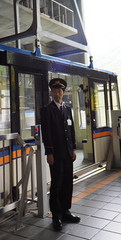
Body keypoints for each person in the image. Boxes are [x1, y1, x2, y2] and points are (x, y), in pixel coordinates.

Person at [40, 77, 81, 231]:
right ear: (51, 93)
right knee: (56, 184)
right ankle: (56, 215)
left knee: (67, 183)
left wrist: (74, 149)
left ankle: (66, 211)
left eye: (60, 91)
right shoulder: (47, 110)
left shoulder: (68, 109)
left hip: (68, 153)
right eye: (54, 91)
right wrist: (49, 152)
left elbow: (71, 130)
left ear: (64, 92)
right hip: (55, 154)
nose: (57, 94)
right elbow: (47, 133)